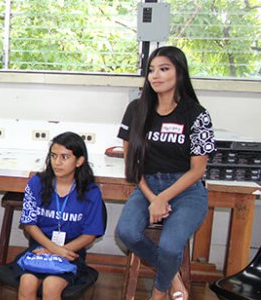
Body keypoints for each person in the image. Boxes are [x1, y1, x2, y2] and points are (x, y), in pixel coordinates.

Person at [115, 46, 215, 300]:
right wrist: (152, 197)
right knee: (126, 232)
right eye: (151, 70)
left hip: (186, 189)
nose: (155, 76)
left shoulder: (197, 115)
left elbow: (198, 170)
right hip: (147, 185)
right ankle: (172, 277)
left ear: (179, 73)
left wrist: (164, 197)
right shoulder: (136, 110)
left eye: (164, 69)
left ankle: (158, 293)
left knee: (171, 247)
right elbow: (132, 163)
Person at [15, 132, 105, 300]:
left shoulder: (90, 191)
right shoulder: (36, 183)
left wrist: (60, 251)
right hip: (39, 249)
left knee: (51, 285)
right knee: (26, 282)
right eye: (53, 156)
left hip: (71, 252)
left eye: (65, 157)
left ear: (79, 161)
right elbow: (29, 224)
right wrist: (52, 249)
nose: (57, 162)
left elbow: (90, 234)